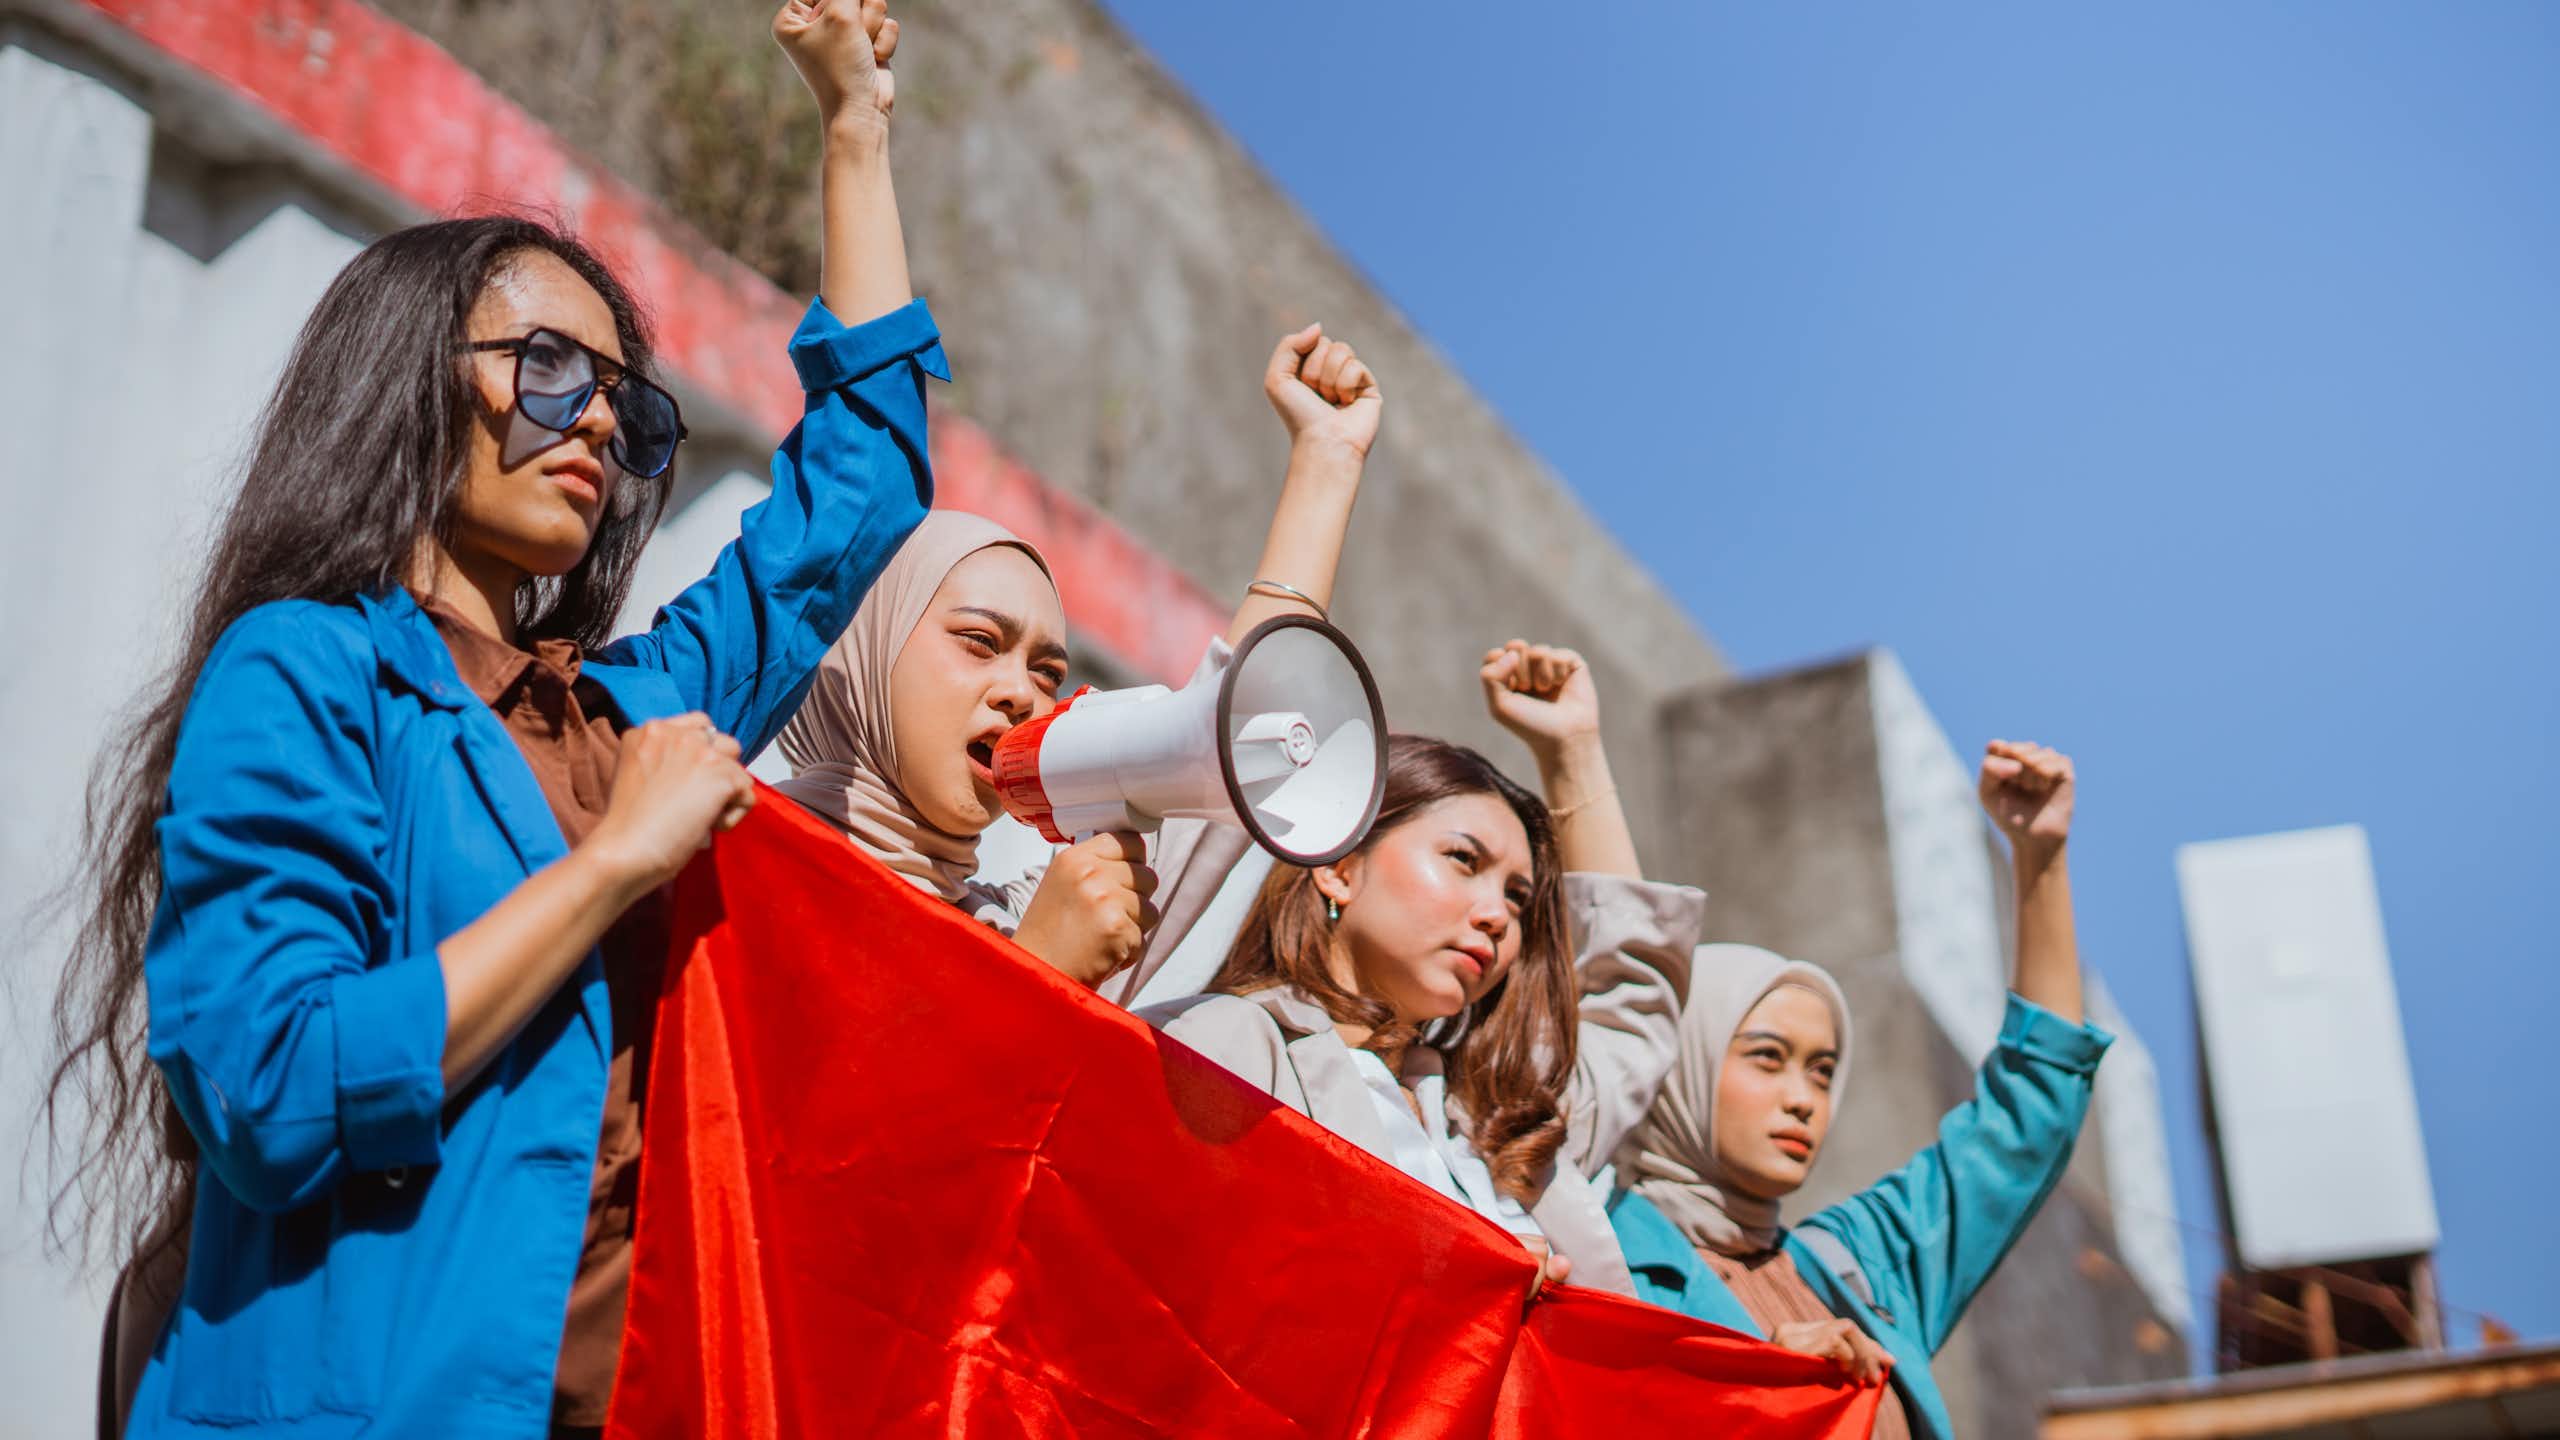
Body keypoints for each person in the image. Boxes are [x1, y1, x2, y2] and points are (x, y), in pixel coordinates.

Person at [48, 3, 928, 1434]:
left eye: (624, 410)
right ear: (414, 381)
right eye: (546, 373)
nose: (593, 425)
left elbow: (862, 493)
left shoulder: (627, 709)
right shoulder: (308, 672)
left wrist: (856, 133)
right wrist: (612, 868)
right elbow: (272, 1087)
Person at [772, 318, 1383, 992]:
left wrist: (1327, 460)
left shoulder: (1031, 923)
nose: (1020, 695)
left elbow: (1235, 723)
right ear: (862, 650)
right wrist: (1033, 976)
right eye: (979, 642)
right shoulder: (729, 848)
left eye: (1048, 674)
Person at [1142, 643, 1704, 1293]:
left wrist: (1572, 756)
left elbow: (1629, 1003)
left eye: (1519, 899)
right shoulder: (1225, 1042)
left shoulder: (1499, 1121)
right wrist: (1466, 1292)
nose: (1498, 915)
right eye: (1464, 860)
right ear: (1339, 866)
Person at [1610, 740, 2108, 1440]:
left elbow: (2026, 1123)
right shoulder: (1598, 1255)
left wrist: (2042, 858)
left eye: (1822, 1070)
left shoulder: (1860, 1268)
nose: (1803, 1098)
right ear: (1678, 1067)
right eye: (1767, 1057)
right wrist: (1758, 1394)